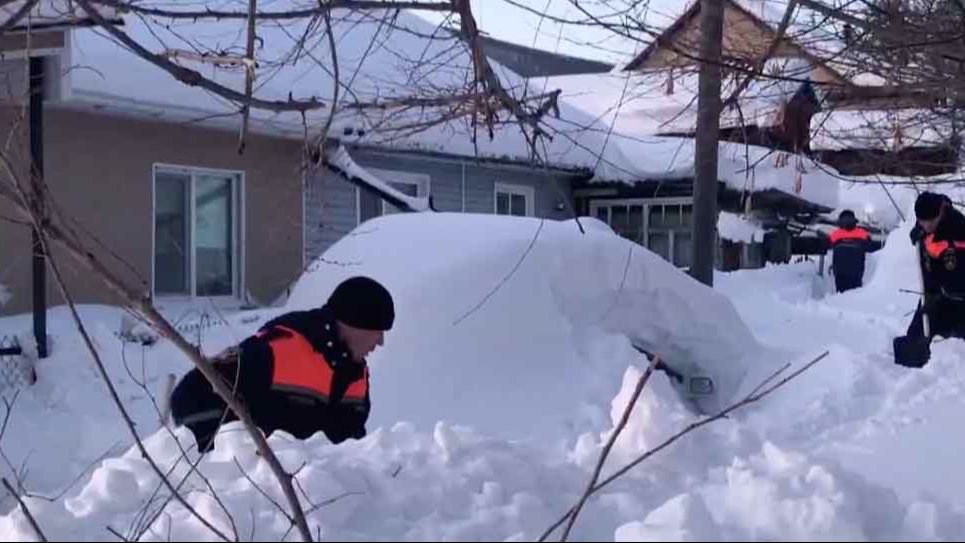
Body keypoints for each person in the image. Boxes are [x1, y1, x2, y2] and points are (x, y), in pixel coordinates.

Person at [170, 276, 395, 452]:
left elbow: (351, 448)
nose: (381, 342)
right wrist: (225, 457)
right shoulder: (280, 351)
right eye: (378, 331)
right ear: (353, 323)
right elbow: (189, 395)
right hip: (254, 496)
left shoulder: (357, 377)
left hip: (318, 498)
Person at [897, 192, 965, 366]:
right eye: (922, 221)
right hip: (932, 290)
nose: (926, 225)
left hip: (956, 297)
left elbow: (956, 275)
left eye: (930, 222)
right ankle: (906, 378)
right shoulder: (928, 219)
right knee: (917, 338)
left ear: (940, 214)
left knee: (952, 346)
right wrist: (918, 230)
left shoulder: (957, 229)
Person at [828, 209, 872, 293]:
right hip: (856, 272)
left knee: (841, 293)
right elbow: (870, 246)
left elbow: (827, 245)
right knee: (856, 294)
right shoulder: (862, 233)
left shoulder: (835, 234)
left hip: (840, 272)